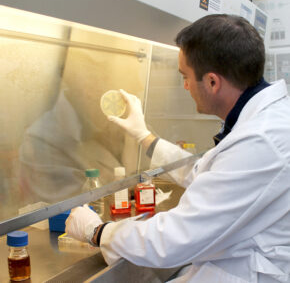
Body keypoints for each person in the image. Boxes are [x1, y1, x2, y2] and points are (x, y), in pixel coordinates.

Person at [65, 14, 290, 282]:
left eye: (185, 76)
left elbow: (174, 239)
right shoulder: (265, 121)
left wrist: (98, 232)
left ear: (212, 82)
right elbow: (208, 172)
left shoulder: (262, 139)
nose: (184, 86)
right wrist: (145, 137)